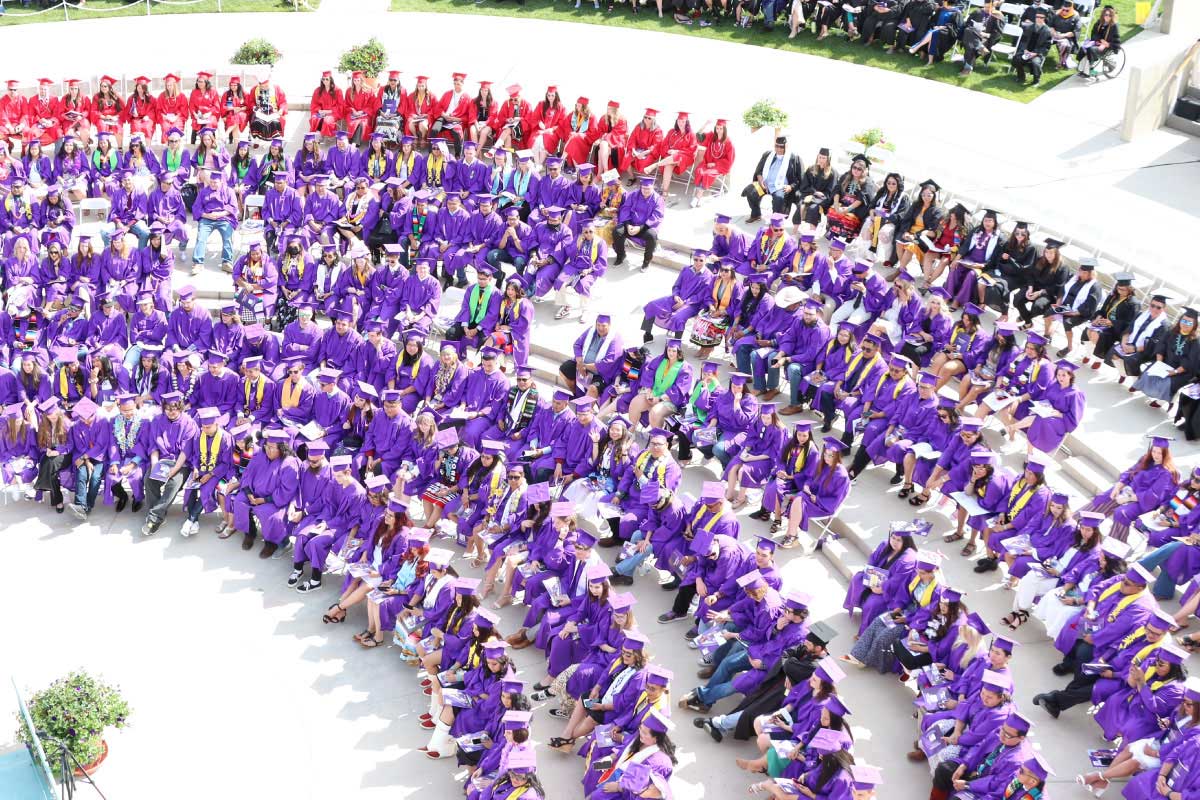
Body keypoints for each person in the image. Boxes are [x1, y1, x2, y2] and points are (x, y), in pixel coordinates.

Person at [139, 391, 198, 537]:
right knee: (150, 479)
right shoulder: (157, 421)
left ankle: (154, 517)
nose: (171, 412)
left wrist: (175, 469)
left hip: (181, 463)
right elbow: (153, 446)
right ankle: (158, 514)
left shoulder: (189, 423)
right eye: (168, 409)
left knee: (173, 484)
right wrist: (154, 465)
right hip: (162, 459)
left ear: (180, 408)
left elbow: (186, 451)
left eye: (175, 409)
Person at [742, 137, 803, 223]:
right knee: (750, 190)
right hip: (765, 184)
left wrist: (791, 186)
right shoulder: (768, 155)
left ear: (786, 146)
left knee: (779, 198)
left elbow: (800, 178)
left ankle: (775, 222)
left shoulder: (794, 158)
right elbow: (759, 171)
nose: (779, 149)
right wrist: (760, 180)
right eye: (776, 146)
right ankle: (756, 214)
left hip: (780, 187)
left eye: (781, 147)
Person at [611, 176, 664, 272]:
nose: (646, 191)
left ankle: (646, 261)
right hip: (631, 224)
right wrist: (628, 225)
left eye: (648, 188)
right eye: (644, 188)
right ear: (641, 187)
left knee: (652, 236)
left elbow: (657, 216)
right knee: (617, 231)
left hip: (645, 227)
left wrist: (640, 228)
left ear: (653, 187)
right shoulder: (633, 195)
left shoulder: (658, 199)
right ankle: (621, 255)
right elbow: (625, 209)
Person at [1078, 5, 1121, 79]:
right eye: (1106, 14)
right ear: (1103, 14)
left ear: (1112, 16)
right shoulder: (1099, 22)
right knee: (1084, 47)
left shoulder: (1114, 26)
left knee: (1090, 49)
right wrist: (1100, 40)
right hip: (1097, 43)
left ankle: (1088, 70)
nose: (1107, 17)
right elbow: (1093, 33)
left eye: (1110, 15)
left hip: (1106, 47)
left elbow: (1117, 42)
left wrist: (1107, 44)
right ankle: (1082, 69)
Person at [1014, 9, 1054, 86]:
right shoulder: (1029, 27)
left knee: (1035, 62)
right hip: (1026, 51)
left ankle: (1036, 80)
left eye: (1041, 17)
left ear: (1044, 18)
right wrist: (1025, 49)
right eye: (1037, 17)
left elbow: (1046, 47)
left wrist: (1035, 53)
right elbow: (1023, 41)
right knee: (1017, 58)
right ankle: (1021, 76)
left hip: (1038, 53)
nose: (1039, 19)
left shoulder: (1047, 31)